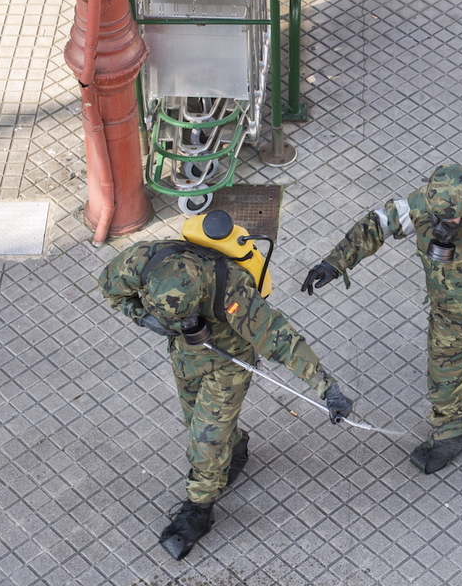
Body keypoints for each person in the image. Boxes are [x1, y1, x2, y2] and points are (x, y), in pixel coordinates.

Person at [98, 212, 354, 561]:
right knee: (194, 422)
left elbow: (283, 341)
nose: (186, 323)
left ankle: (198, 511)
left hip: (229, 361)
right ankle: (235, 448)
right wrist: (144, 318)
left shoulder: (232, 292)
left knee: (205, 438)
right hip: (185, 356)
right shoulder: (141, 260)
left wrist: (328, 389)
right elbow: (109, 287)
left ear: (200, 291)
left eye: (189, 316)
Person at [301, 164, 462, 484]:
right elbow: (377, 224)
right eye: (437, 218)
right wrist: (335, 262)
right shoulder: (422, 207)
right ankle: (451, 433)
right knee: (446, 384)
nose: (441, 226)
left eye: (450, 219)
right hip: (448, 324)